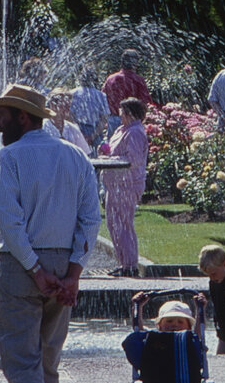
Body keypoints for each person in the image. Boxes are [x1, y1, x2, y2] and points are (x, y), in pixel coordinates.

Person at [0, 82, 102, 383]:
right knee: (47, 365)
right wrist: (73, 273)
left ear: (22, 116)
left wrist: (36, 270)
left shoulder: (9, 157)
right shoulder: (75, 157)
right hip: (63, 263)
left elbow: (10, 224)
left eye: (3, 114)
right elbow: (90, 219)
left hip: (23, 267)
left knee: (23, 366)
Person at [102, 97, 148, 277]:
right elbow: (117, 151)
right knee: (114, 224)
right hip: (115, 184)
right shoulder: (123, 129)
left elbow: (133, 160)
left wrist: (110, 160)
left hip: (127, 184)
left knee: (123, 224)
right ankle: (124, 263)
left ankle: (130, 265)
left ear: (129, 114)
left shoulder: (135, 132)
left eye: (121, 113)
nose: (119, 116)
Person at [103, 50, 153, 135]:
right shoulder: (138, 80)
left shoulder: (111, 79)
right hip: (131, 121)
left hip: (113, 120)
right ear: (135, 64)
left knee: (112, 146)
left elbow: (103, 99)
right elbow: (145, 103)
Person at [70, 70, 112, 147]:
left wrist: (80, 134)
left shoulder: (73, 93)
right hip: (95, 130)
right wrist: (92, 136)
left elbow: (70, 116)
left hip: (77, 129)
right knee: (95, 157)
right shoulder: (101, 95)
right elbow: (104, 118)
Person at [43, 90, 91, 155]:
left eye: (68, 106)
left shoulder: (73, 129)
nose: (67, 110)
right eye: (63, 106)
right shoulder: (42, 128)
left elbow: (85, 153)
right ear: (52, 106)